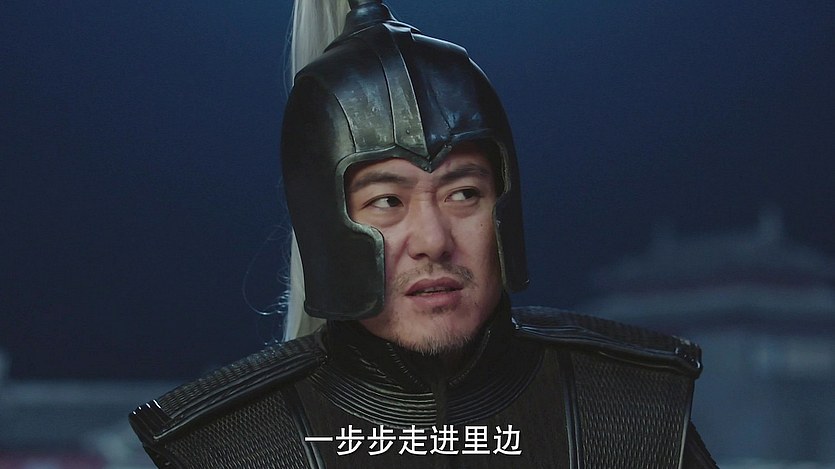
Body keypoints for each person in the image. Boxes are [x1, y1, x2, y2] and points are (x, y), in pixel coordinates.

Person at [130, 1, 718, 467]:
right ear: (326, 227)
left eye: (463, 194)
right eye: (387, 202)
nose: (434, 240)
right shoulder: (232, 449)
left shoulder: (631, 413)